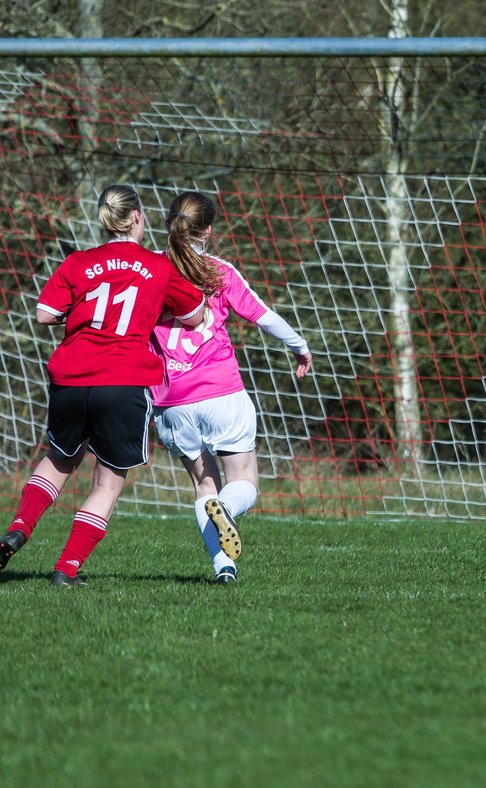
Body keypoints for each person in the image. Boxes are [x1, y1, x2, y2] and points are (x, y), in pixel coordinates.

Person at [0, 185, 207, 586]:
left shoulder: (79, 261)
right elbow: (196, 315)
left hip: (72, 376)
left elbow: (44, 314)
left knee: (60, 458)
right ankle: (66, 569)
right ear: (134, 218)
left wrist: (80, 316)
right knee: (108, 480)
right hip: (124, 379)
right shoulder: (159, 267)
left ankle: (19, 528)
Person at [150, 190, 312, 583]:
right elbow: (264, 316)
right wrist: (300, 347)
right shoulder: (217, 270)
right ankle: (226, 509)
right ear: (207, 229)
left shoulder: (149, 270)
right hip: (221, 392)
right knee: (244, 484)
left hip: (170, 400)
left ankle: (223, 566)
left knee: (203, 485)